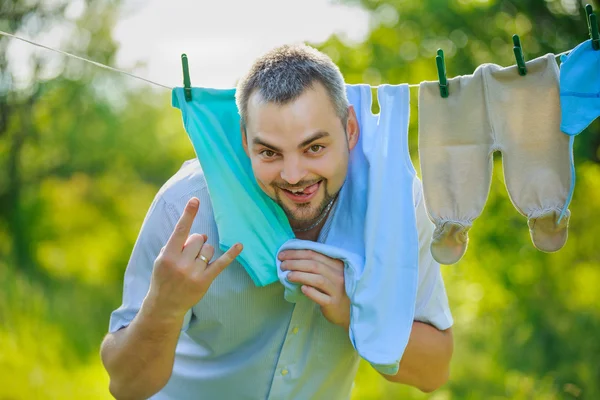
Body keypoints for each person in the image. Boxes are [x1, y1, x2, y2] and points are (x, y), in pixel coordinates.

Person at [100, 43, 454, 400]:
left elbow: (434, 371)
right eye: (269, 152)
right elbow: (127, 387)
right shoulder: (184, 209)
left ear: (349, 128)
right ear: (245, 141)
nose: (294, 175)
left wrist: (355, 309)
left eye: (313, 148)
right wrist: (165, 306)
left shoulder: (398, 207)